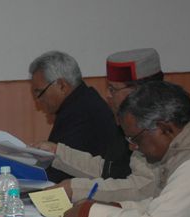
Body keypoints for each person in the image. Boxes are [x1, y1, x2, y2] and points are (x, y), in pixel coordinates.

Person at [62, 81, 190, 217]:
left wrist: (90, 214)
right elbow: (162, 204)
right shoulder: (183, 138)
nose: (133, 148)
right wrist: (116, 207)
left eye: (135, 139)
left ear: (164, 128)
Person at [39, 48, 165, 203]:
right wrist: (57, 153)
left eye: (113, 89)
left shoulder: (159, 127)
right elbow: (110, 170)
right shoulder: (127, 121)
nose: (107, 95)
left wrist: (76, 189)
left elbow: (141, 189)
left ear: (138, 92)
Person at [28, 50, 128, 182]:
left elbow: (59, 174)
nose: (38, 101)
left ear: (62, 86)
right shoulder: (83, 101)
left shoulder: (81, 113)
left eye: (40, 93)